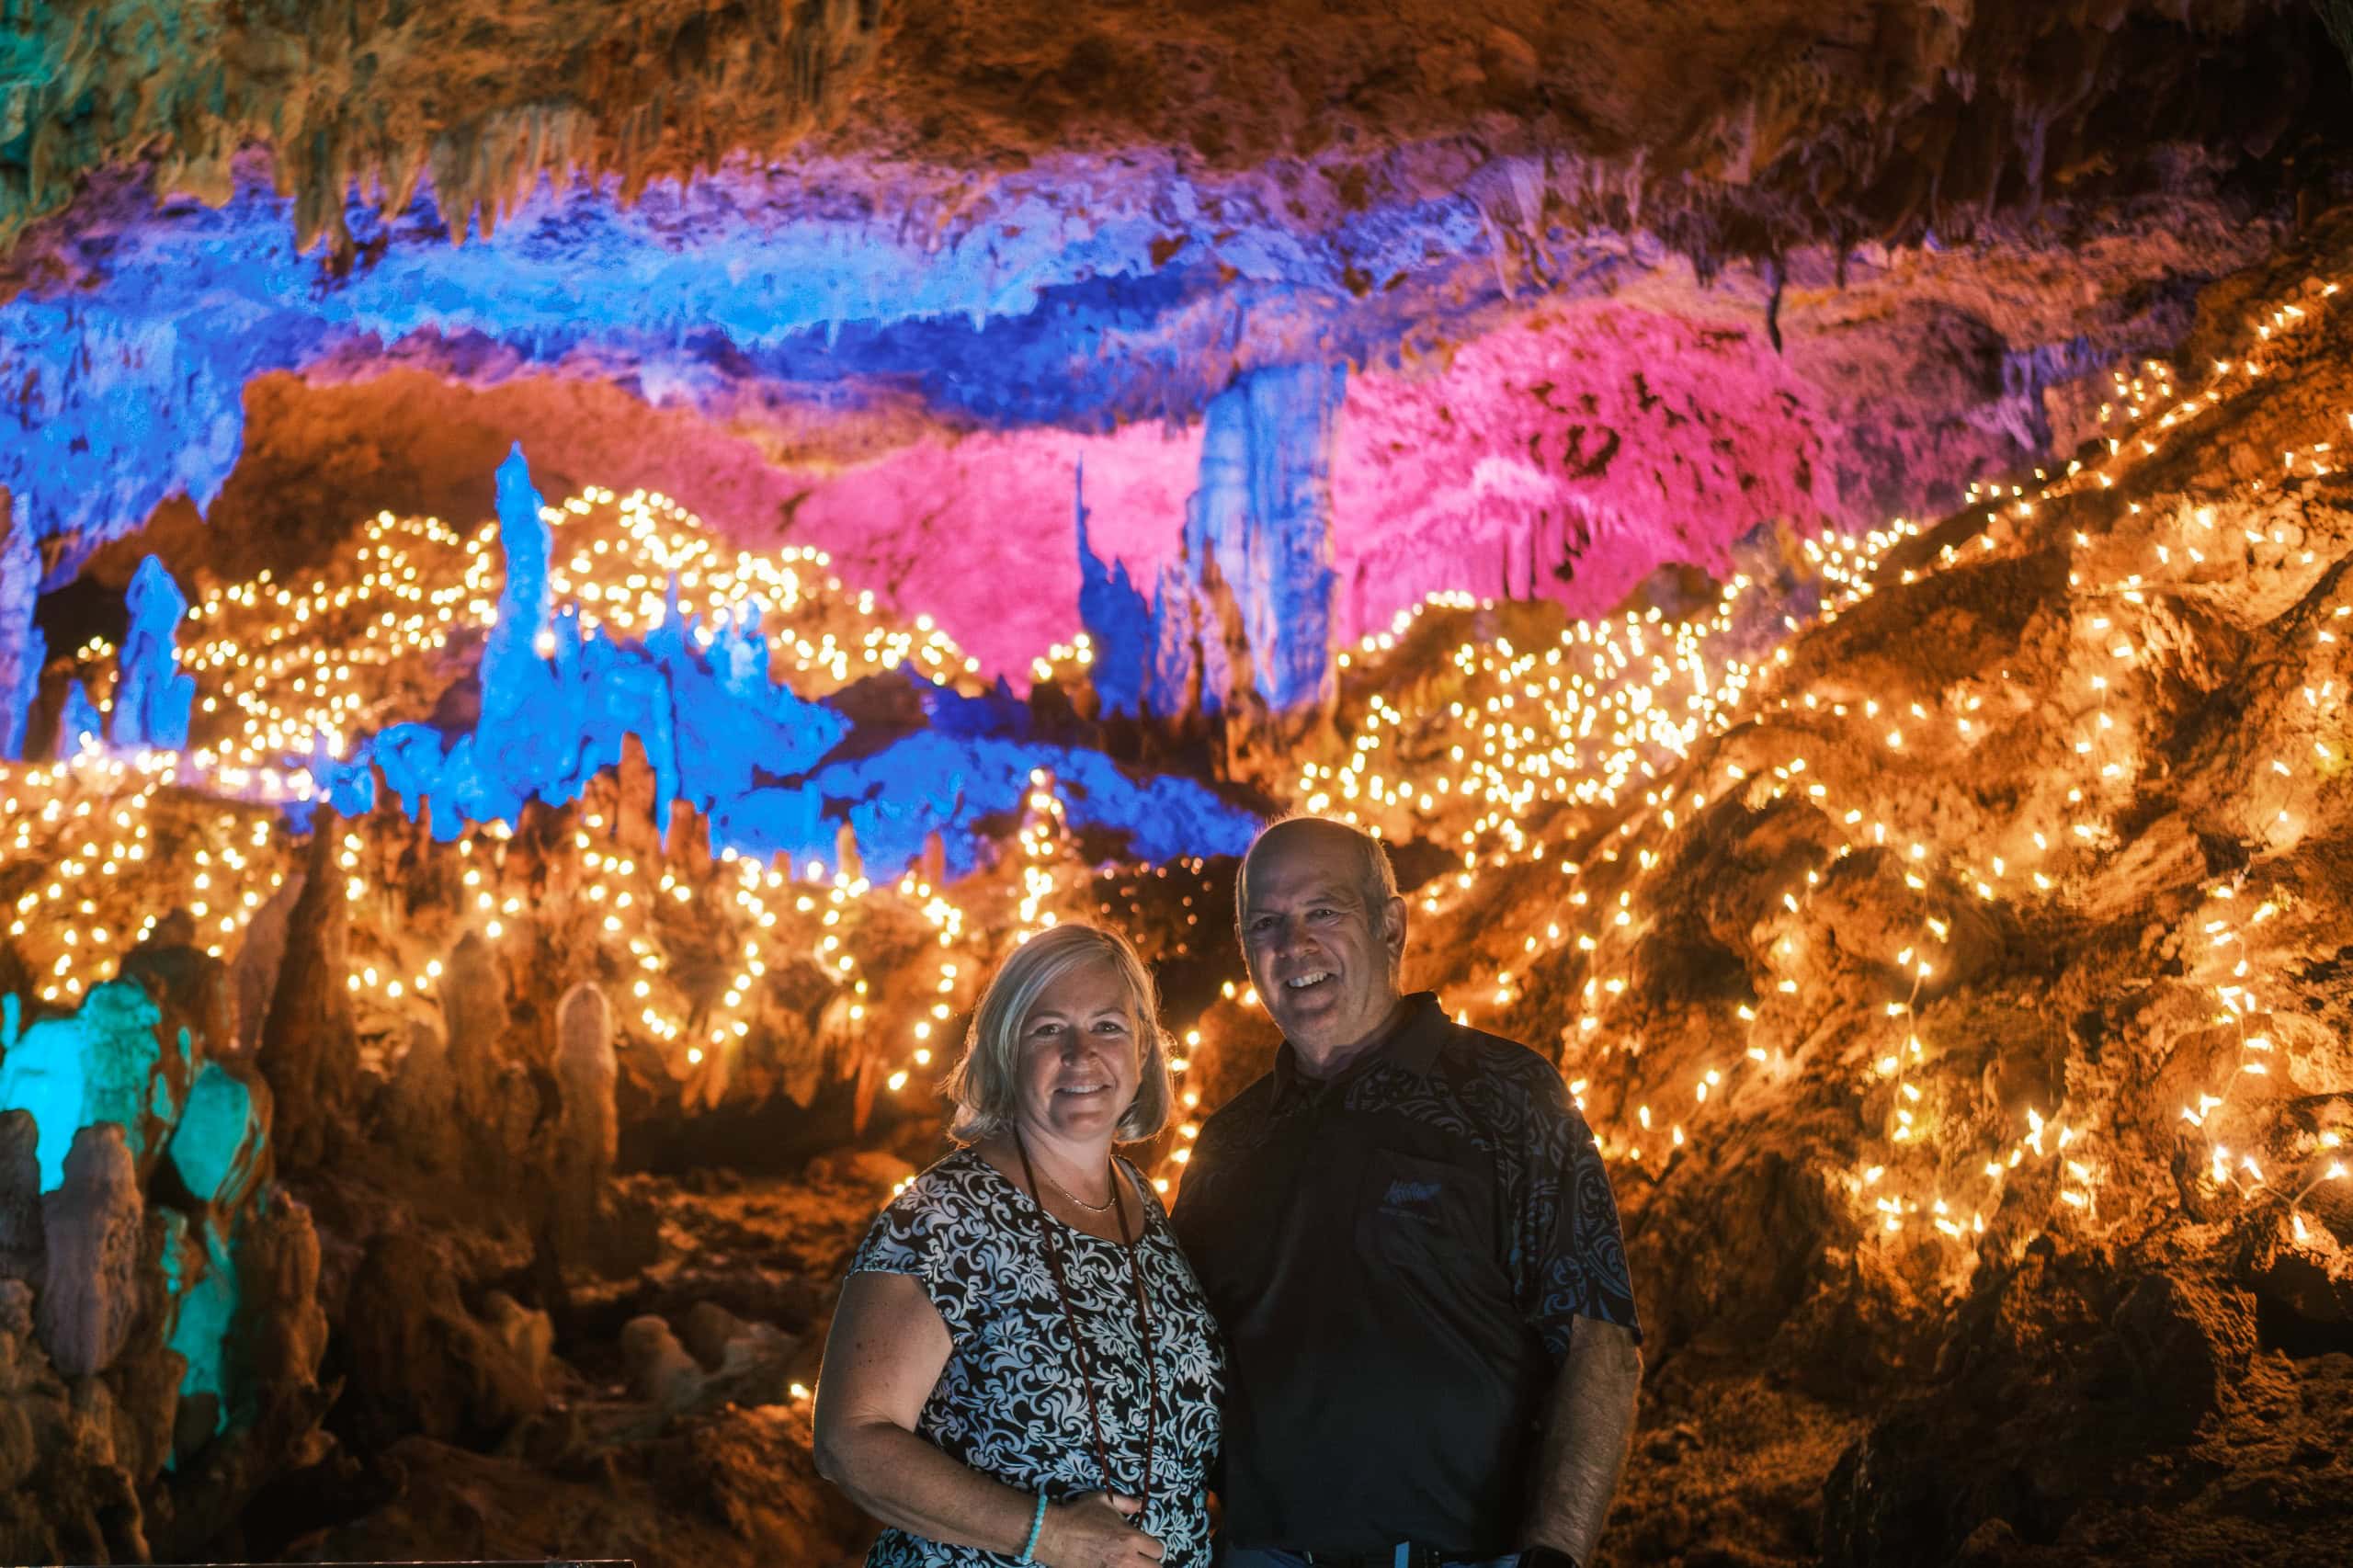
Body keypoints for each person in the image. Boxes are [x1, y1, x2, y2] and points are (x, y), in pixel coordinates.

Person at [1171, 816, 1643, 1568]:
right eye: (1266, 923)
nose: (1293, 946)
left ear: (1391, 925)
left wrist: (1552, 1557)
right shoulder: (1228, 1144)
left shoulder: (1507, 1099)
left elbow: (1600, 1346)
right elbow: (1176, 1367)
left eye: (1323, 911)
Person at [815, 923, 1226, 1568]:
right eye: (1048, 1029)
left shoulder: (1141, 1198)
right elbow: (851, 1439)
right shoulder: (945, 1217)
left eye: (1109, 1027)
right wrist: (1052, 1535)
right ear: (1006, 1054)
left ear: (1144, 1050)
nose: (1081, 1054)